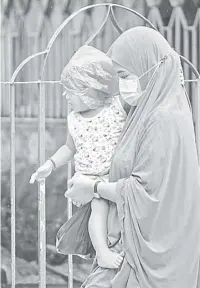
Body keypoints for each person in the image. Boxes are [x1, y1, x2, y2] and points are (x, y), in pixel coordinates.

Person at [65, 26, 200, 288]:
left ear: (149, 69)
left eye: (126, 75)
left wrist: (92, 189)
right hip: (127, 242)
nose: (123, 84)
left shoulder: (162, 119)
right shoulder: (145, 113)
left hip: (142, 252)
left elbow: (147, 190)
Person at [30, 45, 127, 269]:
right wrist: (50, 164)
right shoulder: (74, 119)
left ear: (91, 88)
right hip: (91, 179)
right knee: (100, 208)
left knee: (118, 212)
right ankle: (102, 252)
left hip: (116, 174)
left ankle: (113, 245)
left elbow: (138, 96)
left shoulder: (116, 106)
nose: (65, 96)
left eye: (70, 90)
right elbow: (68, 147)